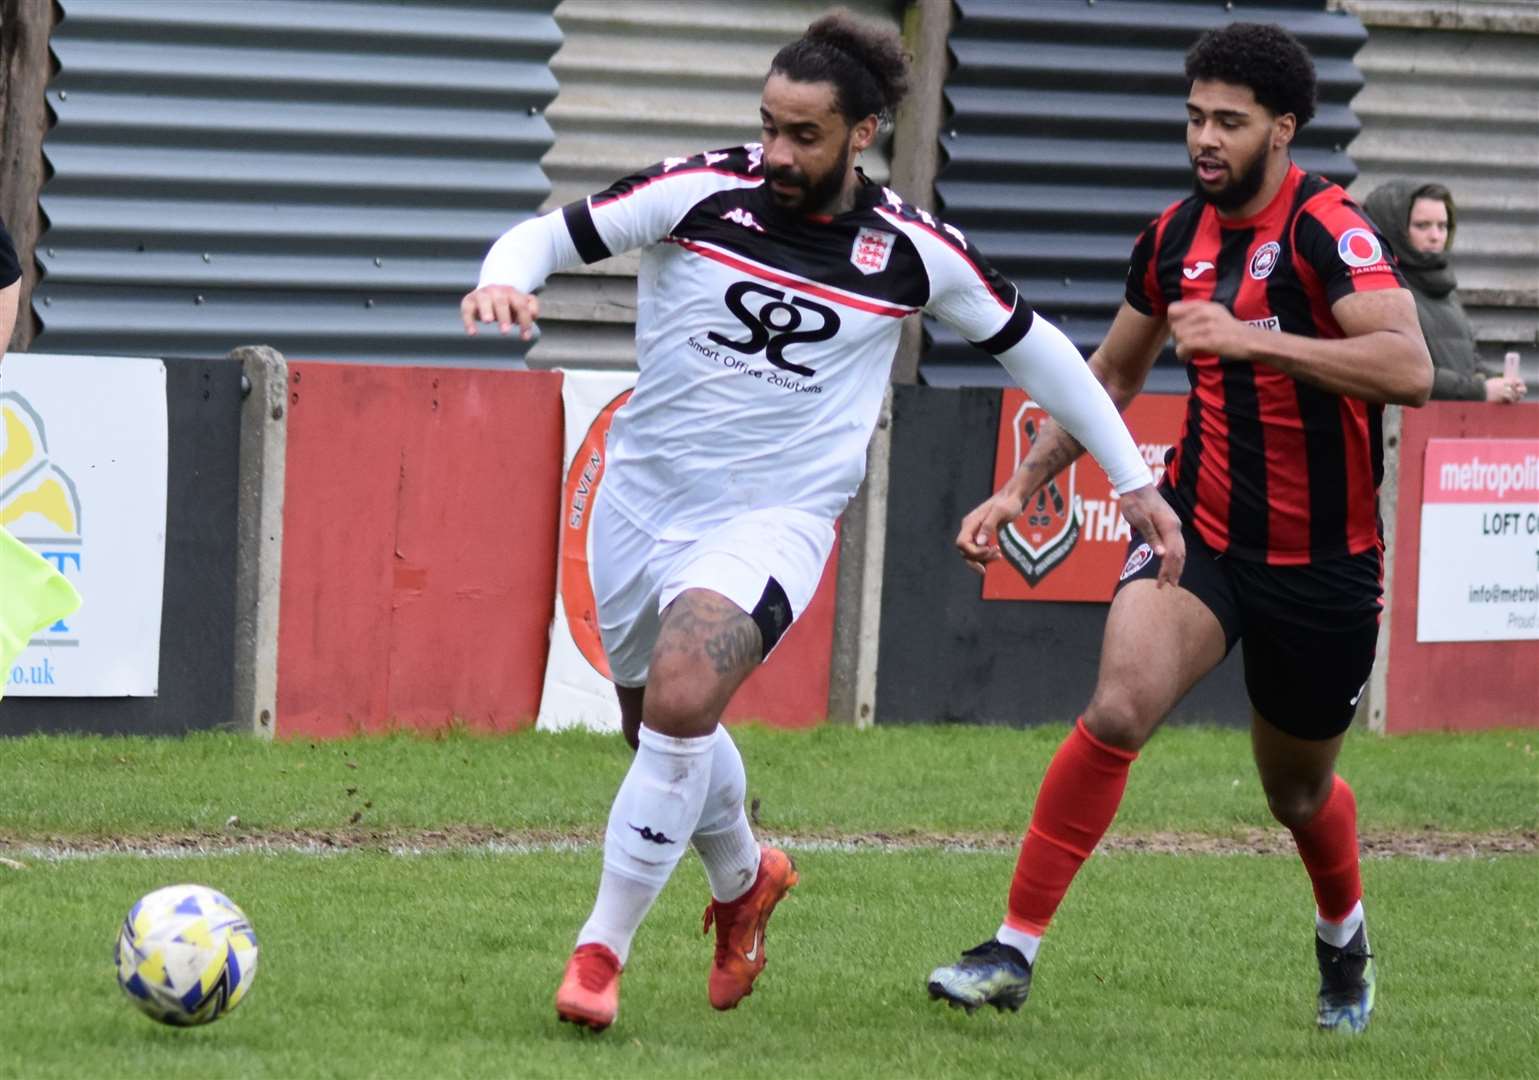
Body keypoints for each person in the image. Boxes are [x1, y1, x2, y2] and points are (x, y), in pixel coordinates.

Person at [460, 10, 1184, 1033]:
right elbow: (550, 232)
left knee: (678, 696)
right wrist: (505, 279)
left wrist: (1131, 479)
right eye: (769, 126)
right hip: (639, 504)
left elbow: (1043, 355)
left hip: (775, 520)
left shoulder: (912, 253)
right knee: (656, 725)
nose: (777, 153)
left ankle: (598, 957)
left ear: (865, 132)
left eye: (804, 134)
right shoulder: (701, 192)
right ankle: (746, 879)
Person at [926, 22, 1432, 1035]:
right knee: (1117, 709)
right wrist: (1023, 484)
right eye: (1195, 116)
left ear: (1283, 130)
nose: (1205, 138)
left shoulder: (1328, 230)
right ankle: (1010, 952)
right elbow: (1108, 377)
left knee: (1297, 794)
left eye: (1230, 122)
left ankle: (1344, 941)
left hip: (1323, 566)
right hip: (1199, 535)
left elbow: (1409, 368)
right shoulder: (1169, 239)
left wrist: (1255, 342)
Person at [1363, 180, 1526, 403]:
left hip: (1450, 429)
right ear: (1394, 230)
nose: (1435, 236)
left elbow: (1469, 362)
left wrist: (1499, 382)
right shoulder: (1385, 290)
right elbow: (1405, 371)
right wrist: (1479, 391)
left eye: (1442, 226)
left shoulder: (1444, 289)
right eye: (1422, 225)